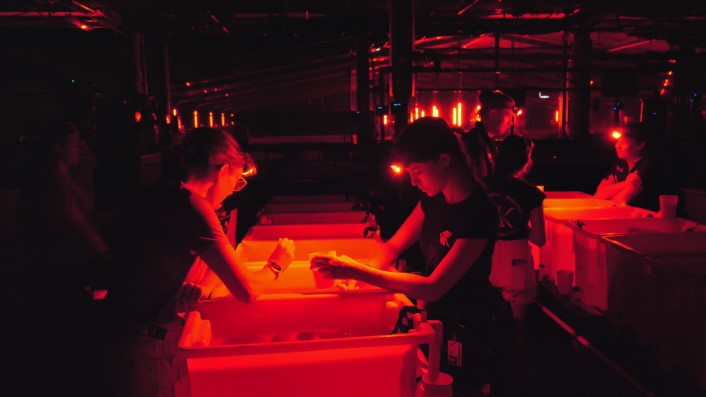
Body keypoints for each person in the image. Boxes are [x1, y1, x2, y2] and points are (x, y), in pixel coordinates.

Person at [310, 117, 511, 394]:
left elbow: (435, 287)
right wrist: (356, 279)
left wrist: (353, 270)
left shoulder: (478, 212)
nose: (413, 181)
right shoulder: (433, 200)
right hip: (435, 319)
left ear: (444, 159)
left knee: (460, 388)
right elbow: (393, 247)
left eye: (417, 171)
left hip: (469, 324)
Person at [99, 127, 295, 397]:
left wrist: (203, 286)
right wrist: (277, 264)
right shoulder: (193, 207)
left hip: (128, 339)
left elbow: (215, 262)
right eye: (237, 180)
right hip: (144, 347)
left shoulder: (168, 197)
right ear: (224, 170)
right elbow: (247, 289)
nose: (232, 190)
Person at [484, 135, 546, 353]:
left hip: (484, 256)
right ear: (526, 159)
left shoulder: (481, 185)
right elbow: (540, 239)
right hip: (516, 260)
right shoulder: (531, 193)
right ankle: (516, 368)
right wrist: (521, 227)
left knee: (486, 323)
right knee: (518, 330)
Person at [594, 122, 672, 211]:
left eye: (624, 142)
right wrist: (626, 183)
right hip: (628, 214)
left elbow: (619, 200)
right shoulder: (621, 162)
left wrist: (612, 190)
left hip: (650, 218)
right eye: (617, 141)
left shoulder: (648, 164)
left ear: (640, 145)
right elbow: (599, 193)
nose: (618, 146)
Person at [463, 89, 516, 178]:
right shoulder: (475, 143)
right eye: (507, 115)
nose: (511, 123)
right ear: (492, 114)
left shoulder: (484, 141)